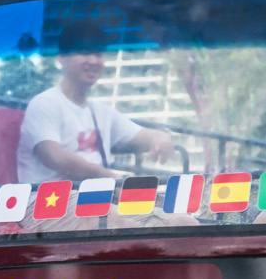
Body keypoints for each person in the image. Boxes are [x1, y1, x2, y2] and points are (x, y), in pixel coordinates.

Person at [19, 29, 178, 183]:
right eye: (85, 52)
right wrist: (108, 178)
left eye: (98, 53)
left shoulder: (101, 112)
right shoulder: (44, 103)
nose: (94, 61)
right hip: (50, 203)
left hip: (95, 199)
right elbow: (54, 156)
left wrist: (160, 138)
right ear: (61, 57)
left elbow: (140, 135)